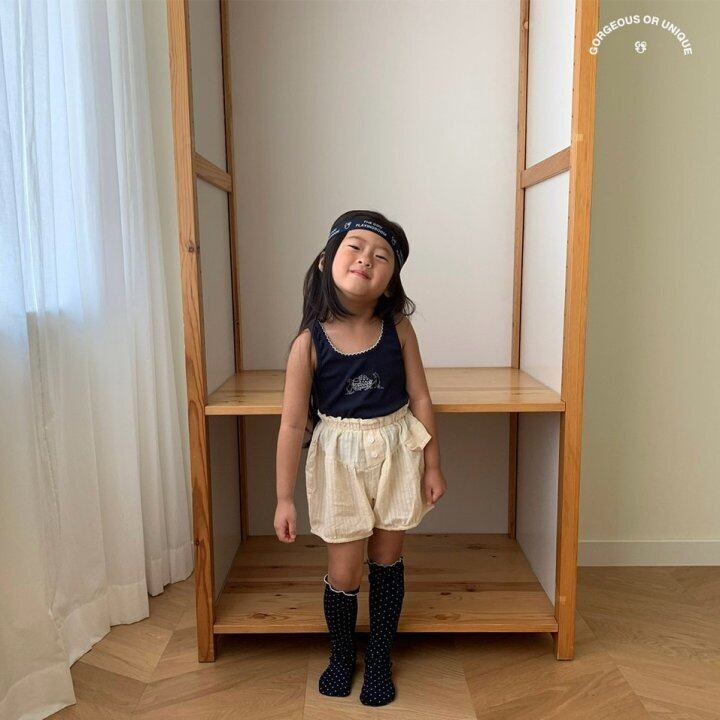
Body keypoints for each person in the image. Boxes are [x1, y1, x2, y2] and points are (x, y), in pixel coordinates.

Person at [274, 210, 447, 706]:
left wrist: (433, 464)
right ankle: (341, 654)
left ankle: (379, 658)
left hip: (396, 454)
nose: (366, 259)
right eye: (355, 247)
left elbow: (421, 398)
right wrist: (284, 498)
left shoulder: (399, 329)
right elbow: (291, 425)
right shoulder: (308, 343)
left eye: (381, 255)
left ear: (391, 278)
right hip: (339, 463)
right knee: (346, 572)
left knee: (387, 561)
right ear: (326, 259)